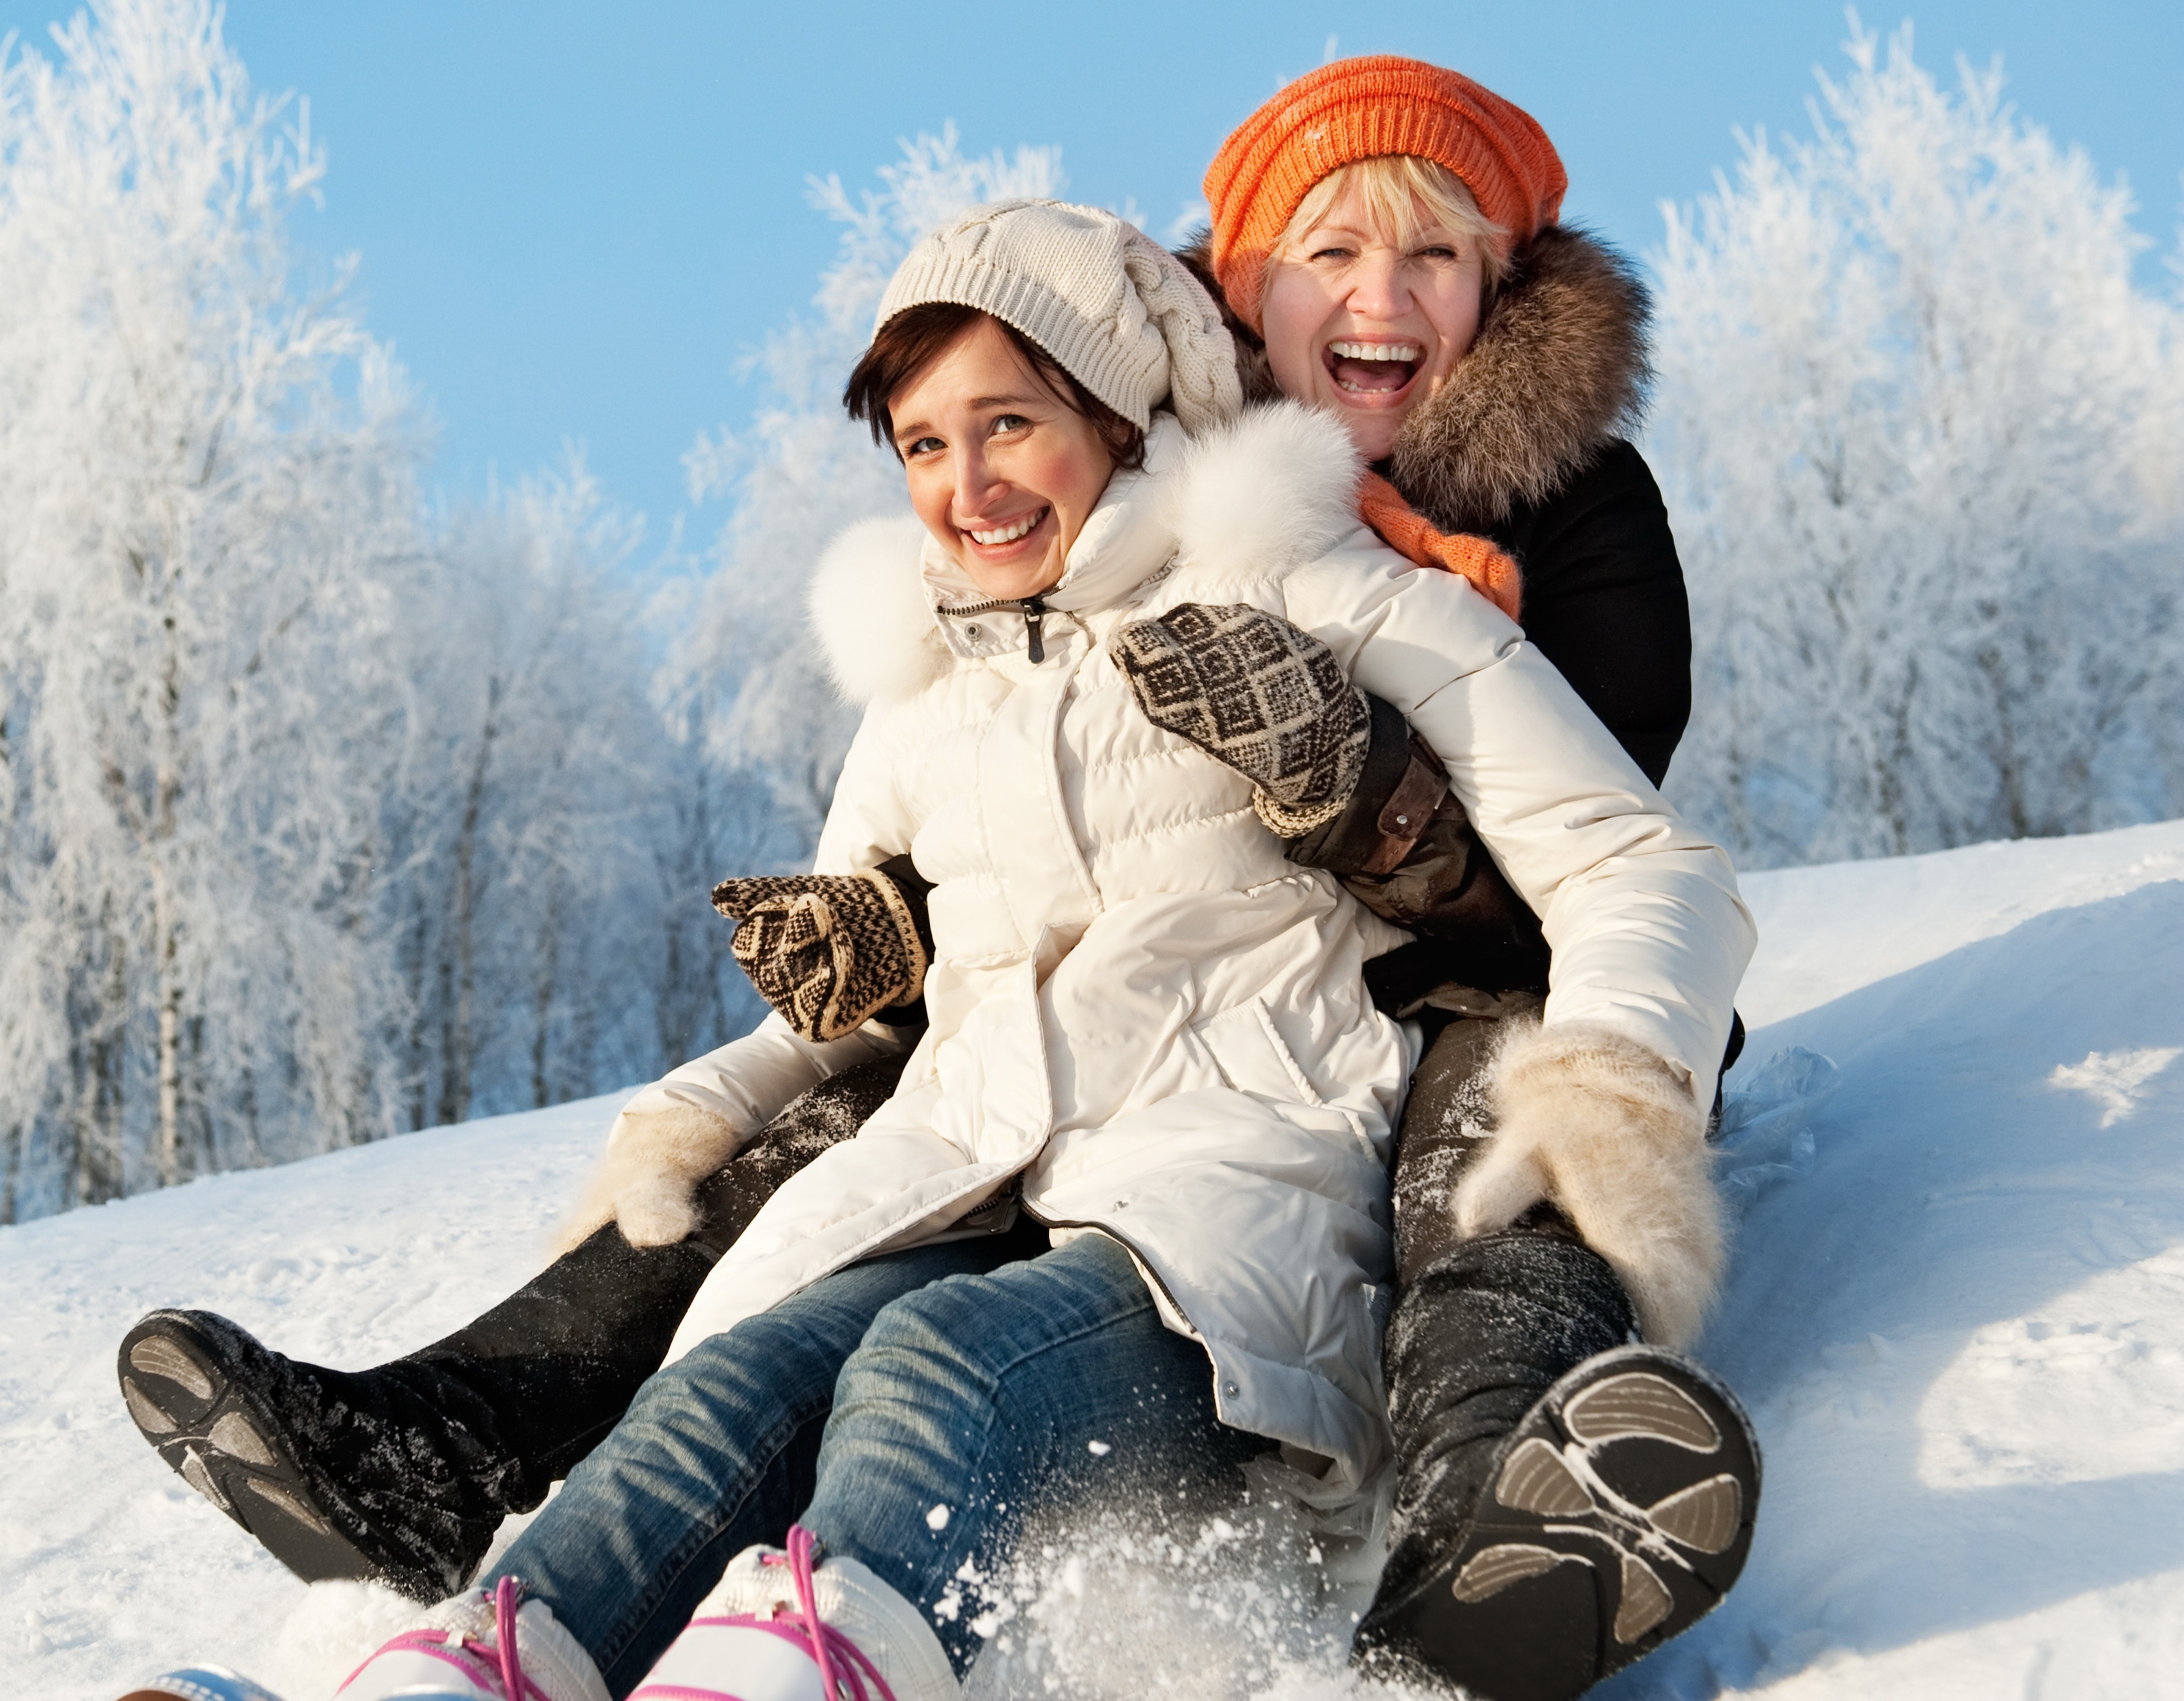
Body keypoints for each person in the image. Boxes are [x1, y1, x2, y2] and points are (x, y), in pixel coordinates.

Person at [123, 197, 1754, 1701]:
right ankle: (471, 1671)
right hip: (960, 1172)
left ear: (1116, 420)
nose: (963, 485)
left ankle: (821, 1669)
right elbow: (868, 1004)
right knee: (729, 1386)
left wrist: (1608, 1069)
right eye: (920, 443)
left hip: (1222, 1211)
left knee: (927, 1362)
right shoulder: (925, 688)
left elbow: (1630, 855)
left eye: (1008, 427)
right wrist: (717, 1088)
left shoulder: (1295, 582)